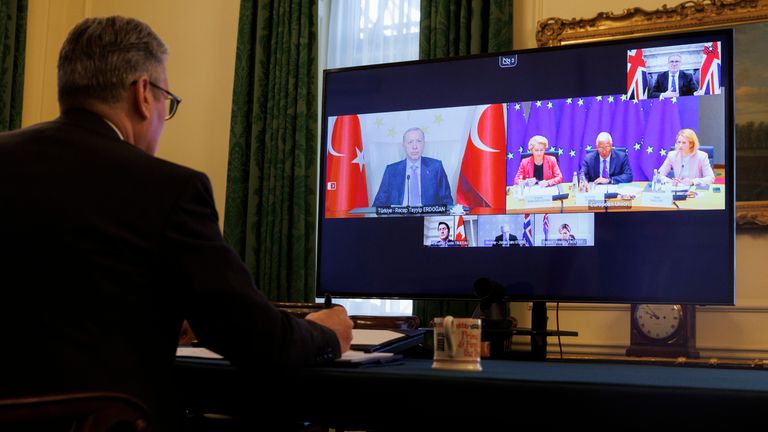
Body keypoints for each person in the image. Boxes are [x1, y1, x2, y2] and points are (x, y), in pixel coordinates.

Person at [0, 16, 352, 430]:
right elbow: (255, 340)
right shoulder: (168, 188)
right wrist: (324, 335)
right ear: (143, 94)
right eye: (168, 100)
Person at [372, 127, 453, 207]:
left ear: (424, 144)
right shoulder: (391, 171)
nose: (415, 147)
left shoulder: (436, 167)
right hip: (399, 217)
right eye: (410, 142)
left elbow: (447, 201)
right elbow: (379, 203)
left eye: (418, 141)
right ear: (403, 145)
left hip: (428, 217)